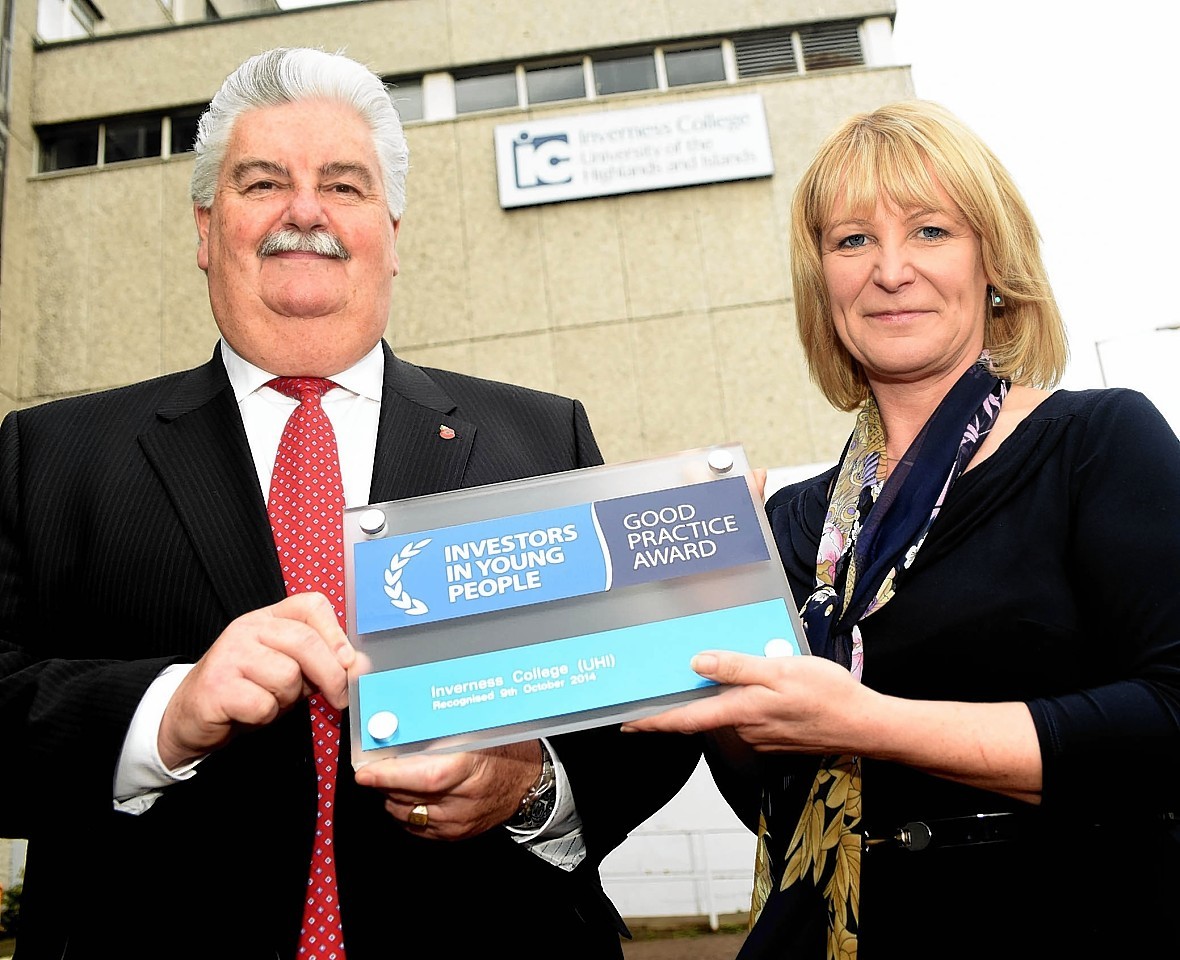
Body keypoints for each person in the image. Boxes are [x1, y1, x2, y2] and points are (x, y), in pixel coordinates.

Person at [0, 47, 701, 959]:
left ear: (393, 235)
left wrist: (528, 786)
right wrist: (162, 717)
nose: (305, 211)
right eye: (263, 183)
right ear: (206, 230)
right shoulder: (50, 456)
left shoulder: (540, 443)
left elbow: (642, 717)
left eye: (343, 184)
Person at [623, 99, 1180, 958]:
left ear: (994, 262)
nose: (890, 270)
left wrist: (870, 722)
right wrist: (706, 598)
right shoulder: (786, 522)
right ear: (824, 281)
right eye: (852, 241)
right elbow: (774, 798)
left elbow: (1170, 718)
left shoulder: (1100, 444)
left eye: (929, 231)